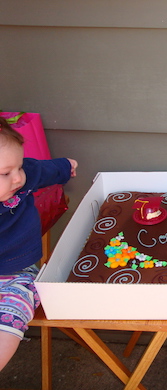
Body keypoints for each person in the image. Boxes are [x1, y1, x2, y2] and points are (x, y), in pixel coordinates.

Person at [0, 117, 78, 371]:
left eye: (18, 167)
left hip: (16, 275)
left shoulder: (25, 176)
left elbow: (43, 170)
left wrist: (67, 165)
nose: (18, 178)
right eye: (5, 173)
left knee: (11, 320)